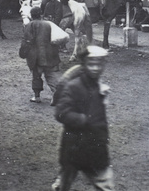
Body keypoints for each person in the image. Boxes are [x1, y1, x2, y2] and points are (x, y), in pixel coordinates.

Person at [53, 45, 114, 191]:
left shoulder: (99, 86)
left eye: (99, 64)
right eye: (91, 64)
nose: (95, 68)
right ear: (84, 65)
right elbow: (61, 112)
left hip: (96, 147)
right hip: (74, 146)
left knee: (105, 183)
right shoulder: (73, 86)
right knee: (65, 183)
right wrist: (83, 120)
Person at [21, 5, 62, 104]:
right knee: (50, 75)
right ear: (41, 14)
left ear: (31, 15)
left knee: (36, 76)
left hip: (35, 55)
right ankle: (55, 93)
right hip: (49, 54)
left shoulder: (29, 26)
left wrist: (23, 52)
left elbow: (26, 41)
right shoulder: (48, 24)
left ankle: (37, 96)